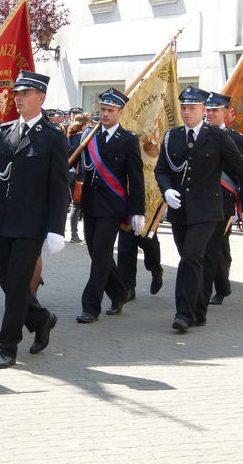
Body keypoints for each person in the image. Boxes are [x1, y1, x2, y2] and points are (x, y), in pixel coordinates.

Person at [154, 86, 243, 332]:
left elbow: (242, 168)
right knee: (191, 259)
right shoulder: (172, 136)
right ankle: (199, 310)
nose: (187, 112)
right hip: (180, 210)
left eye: (192, 108)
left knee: (191, 257)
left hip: (207, 210)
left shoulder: (218, 136)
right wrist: (166, 190)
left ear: (203, 110)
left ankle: (183, 313)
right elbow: (161, 170)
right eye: (184, 108)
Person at [0, 70, 67, 369]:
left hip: (32, 224)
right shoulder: (3, 132)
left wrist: (56, 229)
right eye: (17, 93)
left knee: (17, 285)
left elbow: (59, 186)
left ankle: (7, 348)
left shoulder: (53, 136)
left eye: (25, 94)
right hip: (3, 221)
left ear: (41, 98)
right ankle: (42, 319)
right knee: (7, 282)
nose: (18, 98)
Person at [75, 88, 145, 323]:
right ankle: (119, 292)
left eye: (110, 111)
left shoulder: (128, 140)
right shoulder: (89, 136)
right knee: (95, 252)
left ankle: (91, 306)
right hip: (90, 204)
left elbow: (136, 178)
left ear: (120, 113)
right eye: (102, 109)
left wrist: (138, 211)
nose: (104, 114)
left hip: (113, 206)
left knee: (102, 253)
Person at [203, 92, 243, 306]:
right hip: (202, 199)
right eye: (208, 110)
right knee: (205, 245)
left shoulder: (235, 139)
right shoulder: (200, 134)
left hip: (224, 199)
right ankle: (209, 285)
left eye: (215, 110)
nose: (210, 114)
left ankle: (221, 286)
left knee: (219, 246)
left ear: (226, 113)